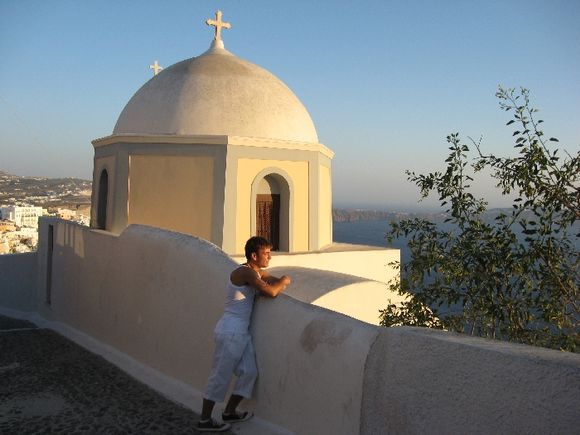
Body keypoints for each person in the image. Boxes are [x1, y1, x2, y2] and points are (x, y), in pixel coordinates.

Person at [196, 236, 291, 432]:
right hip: (230, 331)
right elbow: (271, 292)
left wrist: (274, 280)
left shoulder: (253, 272)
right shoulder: (244, 273)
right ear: (254, 255)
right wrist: (283, 281)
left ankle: (229, 412)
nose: (270, 257)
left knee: (249, 373)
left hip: (240, 333)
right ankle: (204, 420)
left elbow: (266, 278)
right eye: (266, 254)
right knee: (220, 376)